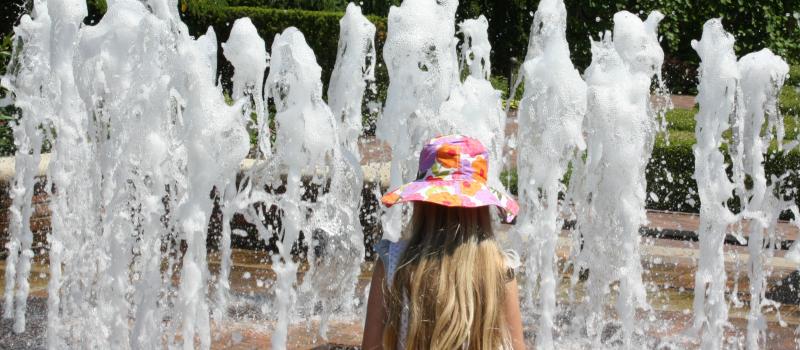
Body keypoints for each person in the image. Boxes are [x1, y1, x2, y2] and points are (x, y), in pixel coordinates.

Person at [362, 134, 526, 349]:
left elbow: (371, 346)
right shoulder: (499, 269)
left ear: (422, 202)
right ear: (481, 207)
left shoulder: (393, 264)